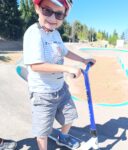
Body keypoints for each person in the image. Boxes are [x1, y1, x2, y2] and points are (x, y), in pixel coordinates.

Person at [23, 0, 96, 150]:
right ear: (37, 8)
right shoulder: (34, 33)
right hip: (42, 93)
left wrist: (83, 60)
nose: (52, 18)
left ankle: (62, 137)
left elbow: (65, 52)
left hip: (60, 88)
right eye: (47, 11)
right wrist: (67, 68)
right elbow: (35, 65)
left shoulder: (55, 34)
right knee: (42, 131)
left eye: (58, 14)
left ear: (64, 16)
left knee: (70, 116)